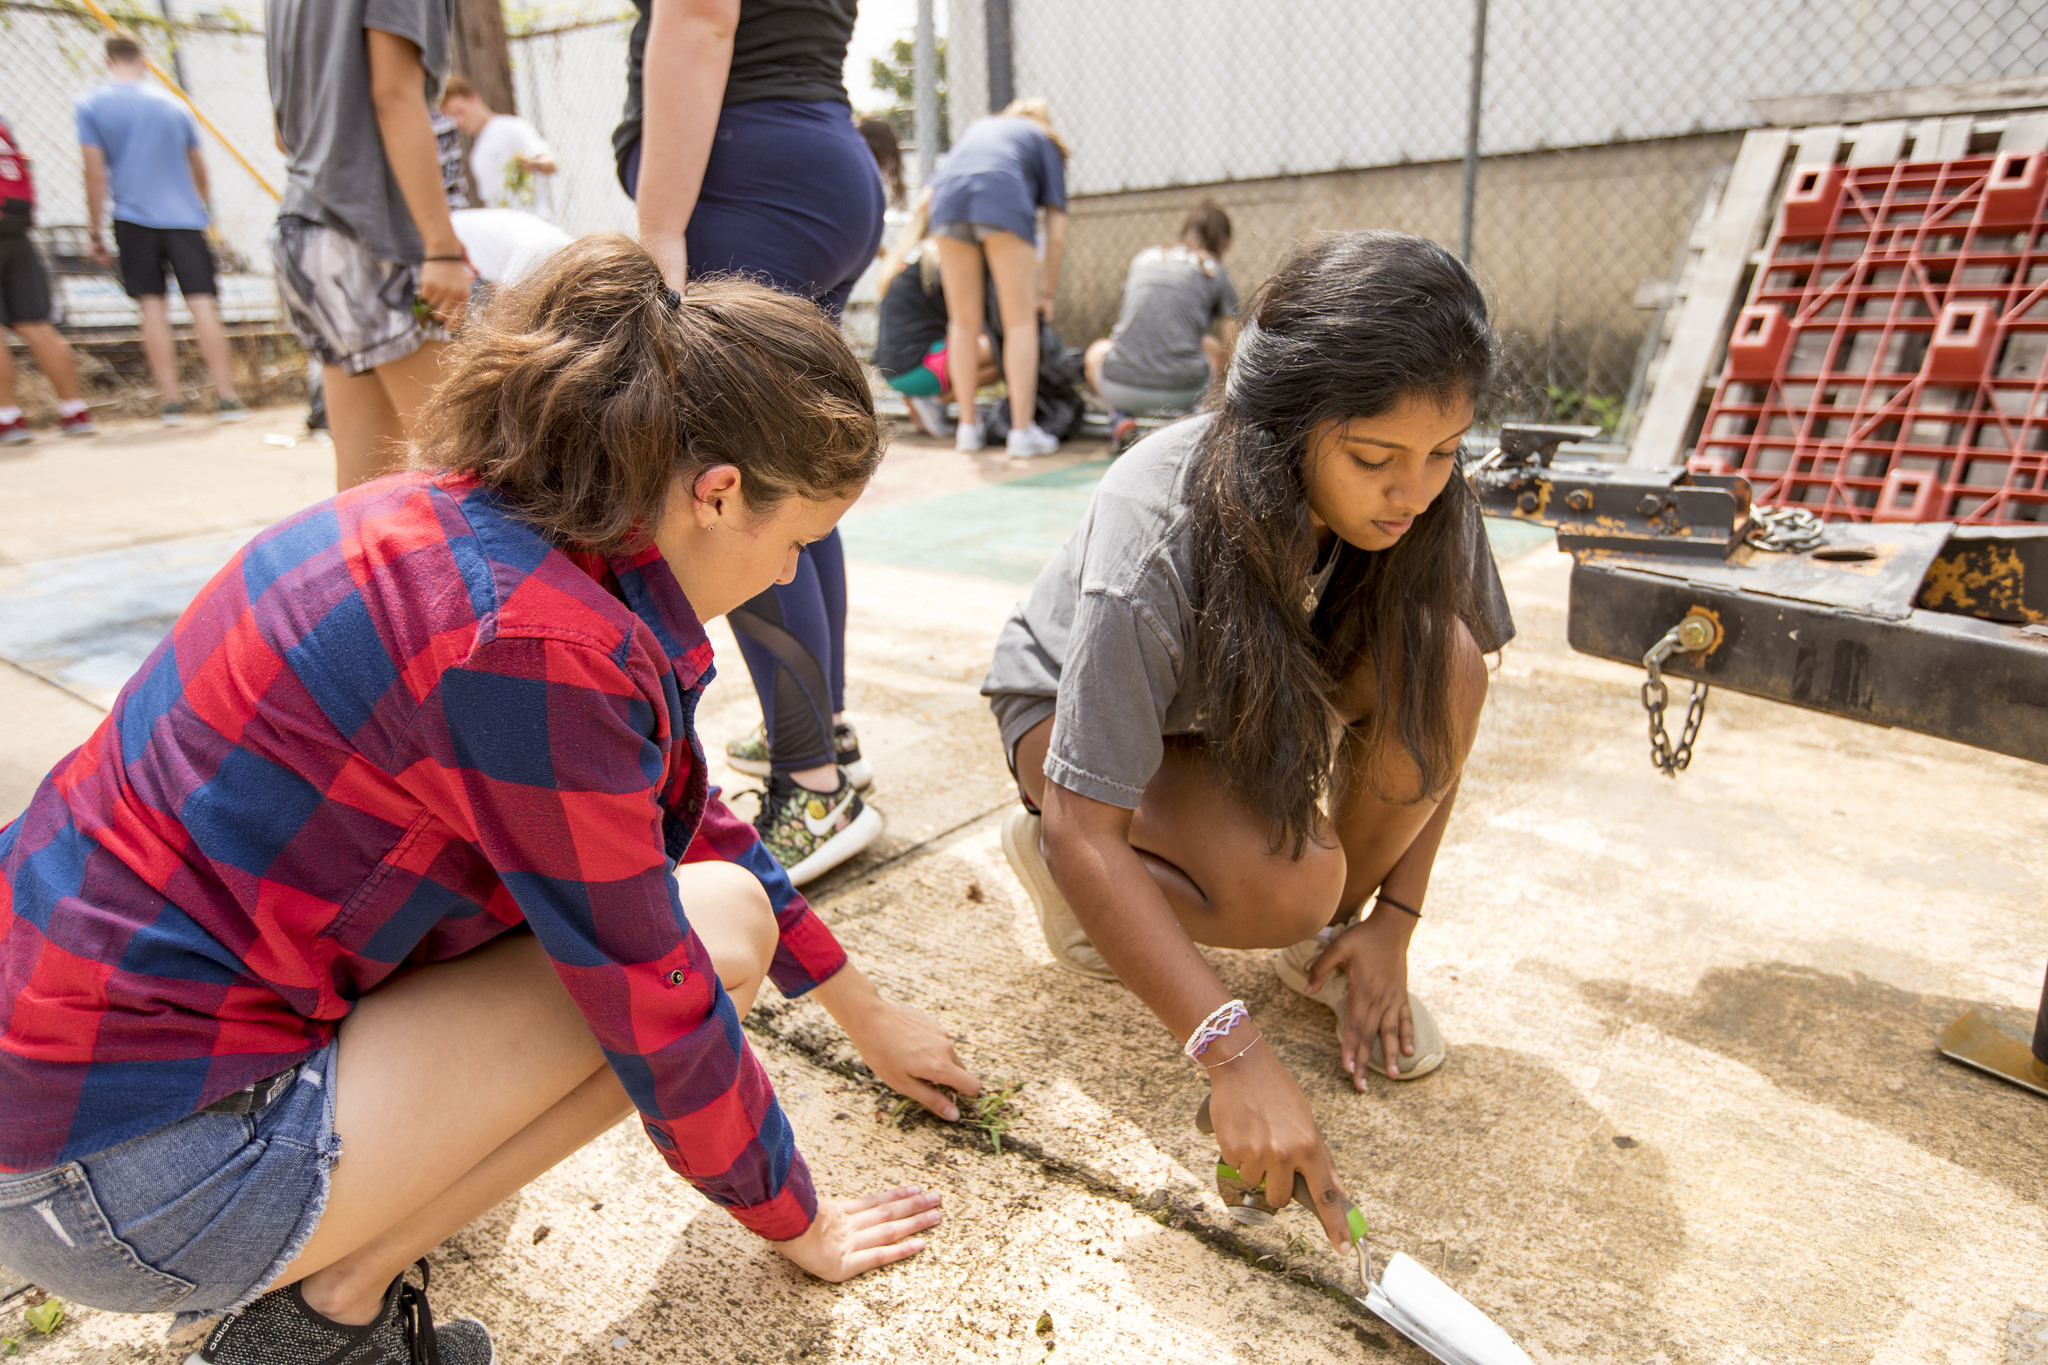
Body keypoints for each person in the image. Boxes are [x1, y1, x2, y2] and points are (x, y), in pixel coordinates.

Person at [0, 238, 981, 1363]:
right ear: (717, 495)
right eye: (798, 541)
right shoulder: (537, 645)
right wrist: (795, 1217)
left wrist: (866, 1014)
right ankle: (331, 1316)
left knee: (674, 908)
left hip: (51, 1088)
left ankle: (321, 1257)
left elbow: (667, 811)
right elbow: (653, 993)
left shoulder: (474, 527)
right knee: (715, 939)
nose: (787, 577)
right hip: (124, 1189)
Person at [981, 231, 1513, 1252]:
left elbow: (1446, 706)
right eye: (1373, 459)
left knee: (1443, 659)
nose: (1413, 490)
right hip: (1065, 716)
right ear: (1284, 425)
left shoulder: (1424, 495)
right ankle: (1066, 874)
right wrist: (1231, 1050)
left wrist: (1392, 921)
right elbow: (1086, 828)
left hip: (1208, 716)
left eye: (1442, 453)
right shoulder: (1160, 521)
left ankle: (1337, 941)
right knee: (1281, 884)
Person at [618, 0, 887, 885]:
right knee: (793, 476)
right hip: (814, 160)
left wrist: (658, 229)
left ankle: (811, 782)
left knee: (738, 478)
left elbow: (699, 15)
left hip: (750, 175)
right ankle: (820, 741)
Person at [265, 0, 472, 491]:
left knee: (367, 488)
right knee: (473, 466)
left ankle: (359, 572)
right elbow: (394, 95)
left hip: (306, 229)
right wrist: (440, 246)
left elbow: (282, 134)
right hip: (376, 237)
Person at [73, 32, 246, 425]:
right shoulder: (174, 104)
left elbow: (94, 173)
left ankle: (172, 403)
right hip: (186, 217)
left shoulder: (90, 104)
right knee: (203, 304)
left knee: (152, 307)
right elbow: (199, 167)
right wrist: (203, 210)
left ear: (107, 61)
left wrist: (95, 230)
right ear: (144, 59)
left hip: (133, 217)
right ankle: (227, 396)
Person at [924, 97, 1069, 458]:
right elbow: (1057, 232)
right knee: (1019, 323)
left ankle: (967, 428)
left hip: (946, 202)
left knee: (962, 322)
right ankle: (1022, 432)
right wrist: (1047, 294)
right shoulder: (1044, 139)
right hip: (1002, 198)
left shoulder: (980, 127)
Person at [1085, 200, 1238, 452]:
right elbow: (1232, 340)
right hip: (1183, 390)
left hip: (1120, 388)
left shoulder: (1144, 258)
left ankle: (1120, 418)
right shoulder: (1214, 270)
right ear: (1224, 243)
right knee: (1213, 346)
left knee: (1096, 351)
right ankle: (1197, 418)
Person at [0, 116, 95, 443]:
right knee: (37, 324)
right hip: (17, 230)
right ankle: (75, 410)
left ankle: (8, 419)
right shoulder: (2, 123)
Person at [872, 240, 997, 439]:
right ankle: (937, 401)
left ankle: (924, 400)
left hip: (891, 371)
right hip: (920, 366)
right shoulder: (941, 263)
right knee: (1005, 353)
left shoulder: (906, 266)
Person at [439, 75, 560, 223]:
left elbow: (552, 164)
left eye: (460, 112)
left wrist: (533, 164)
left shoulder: (510, 127)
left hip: (534, 222)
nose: (459, 121)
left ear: (474, 99)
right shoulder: (476, 154)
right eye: (452, 117)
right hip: (506, 230)